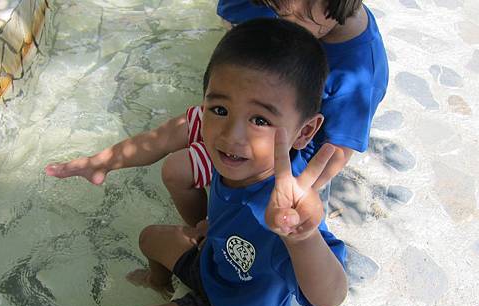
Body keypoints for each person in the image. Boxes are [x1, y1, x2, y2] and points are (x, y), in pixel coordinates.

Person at [79, 18, 348, 306]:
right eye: (219, 109)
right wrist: (214, 229)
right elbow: (162, 141)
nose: (231, 135)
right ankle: (158, 283)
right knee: (149, 239)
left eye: (260, 120)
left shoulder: (285, 213)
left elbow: (331, 296)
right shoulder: (238, 158)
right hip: (215, 262)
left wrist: (302, 238)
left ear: (304, 132)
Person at [45, 0, 389, 228]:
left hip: (279, 150)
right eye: (279, 12)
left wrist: (296, 191)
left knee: (177, 169)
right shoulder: (302, 6)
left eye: (298, 17)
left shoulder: (359, 70)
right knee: (174, 130)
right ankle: (101, 164)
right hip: (245, 107)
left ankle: (208, 229)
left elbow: (337, 150)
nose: (287, 24)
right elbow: (234, 17)